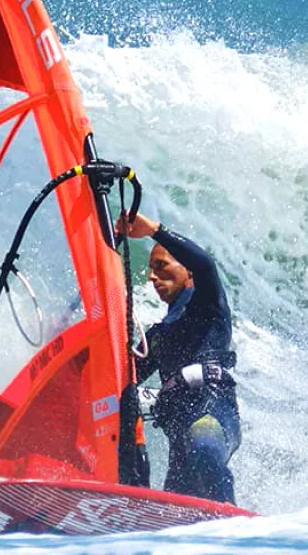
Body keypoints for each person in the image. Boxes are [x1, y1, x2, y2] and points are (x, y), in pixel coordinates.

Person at [119, 211, 240, 505]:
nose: (152, 276)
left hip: (213, 413)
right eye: (151, 269)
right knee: (176, 504)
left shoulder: (206, 305)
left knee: (203, 448)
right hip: (179, 434)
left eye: (161, 266)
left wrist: (154, 230)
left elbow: (205, 264)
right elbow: (122, 375)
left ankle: (233, 520)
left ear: (187, 272)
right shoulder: (158, 336)